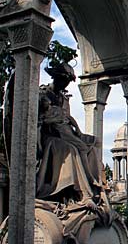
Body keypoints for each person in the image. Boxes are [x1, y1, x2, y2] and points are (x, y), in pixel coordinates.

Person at [36, 62, 103, 211]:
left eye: (67, 82)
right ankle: (83, 192)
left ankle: (94, 186)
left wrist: (78, 131)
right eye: (63, 81)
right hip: (49, 137)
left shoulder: (61, 97)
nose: (65, 85)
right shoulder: (43, 94)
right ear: (56, 78)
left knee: (93, 146)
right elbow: (38, 120)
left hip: (65, 132)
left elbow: (68, 117)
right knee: (72, 149)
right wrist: (38, 145)